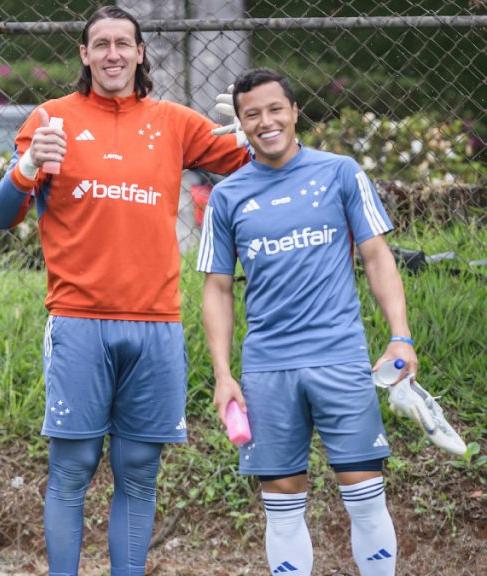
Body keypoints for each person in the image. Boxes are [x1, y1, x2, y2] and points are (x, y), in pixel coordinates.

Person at [0, 6, 250, 574]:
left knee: (138, 468)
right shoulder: (51, 120)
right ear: (84, 55)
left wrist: (257, 125)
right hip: (79, 320)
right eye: (100, 44)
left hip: (155, 323)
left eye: (123, 44)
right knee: (73, 466)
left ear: (139, 52)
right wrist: (29, 163)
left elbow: (251, 160)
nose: (112, 53)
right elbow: (0, 215)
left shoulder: (175, 122)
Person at [197, 68, 414, 575]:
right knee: (283, 510)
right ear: (241, 124)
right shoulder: (227, 197)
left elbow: (377, 257)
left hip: (340, 360)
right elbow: (218, 289)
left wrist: (400, 337)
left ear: (296, 113)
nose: (266, 122)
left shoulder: (340, 172)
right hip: (268, 371)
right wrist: (224, 375)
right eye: (252, 114)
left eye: (276, 109)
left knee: (364, 497)